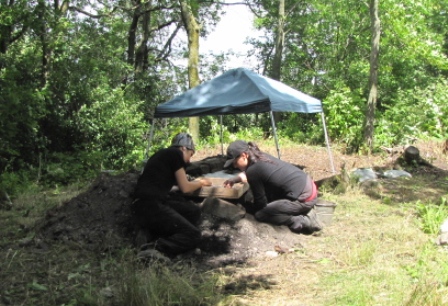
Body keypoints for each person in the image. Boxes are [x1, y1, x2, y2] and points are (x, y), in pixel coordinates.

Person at [132, 132, 212, 256]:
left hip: (142, 204)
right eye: (191, 155)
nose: (189, 160)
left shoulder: (163, 155)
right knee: (194, 235)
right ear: (183, 148)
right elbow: (185, 188)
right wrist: (201, 182)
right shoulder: (176, 154)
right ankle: (154, 248)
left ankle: (168, 240)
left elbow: (167, 186)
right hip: (151, 205)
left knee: (193, 210)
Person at [223, 140, 322, 234]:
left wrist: (246, 207)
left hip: (304, 198)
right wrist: (236, 179)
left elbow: (260, 204)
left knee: (261, 214)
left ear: (244, 155)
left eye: (235, 162)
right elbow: (258, 173)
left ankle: (301, 220)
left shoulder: (253, 171)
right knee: (271, 199)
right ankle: (303, 211)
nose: (235, 166)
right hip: (308, 186)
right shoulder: (260, 156)